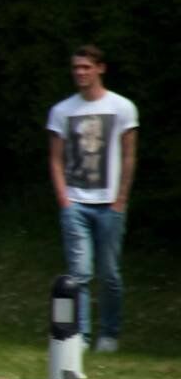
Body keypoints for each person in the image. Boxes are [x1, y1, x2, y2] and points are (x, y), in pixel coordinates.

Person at [47, 44, 139, 353]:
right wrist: (64, 199)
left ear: (100, 68)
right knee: (79, 273)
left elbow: (128, 155)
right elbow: (56, 158)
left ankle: (109, 333)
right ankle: (82, 336)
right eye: (76, 68)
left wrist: (120, 199)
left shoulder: (122, 107)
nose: (80, 73)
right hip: (76, 202)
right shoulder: (62, 111)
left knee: (109, 274)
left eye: (86, 67)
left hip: (110, 203)